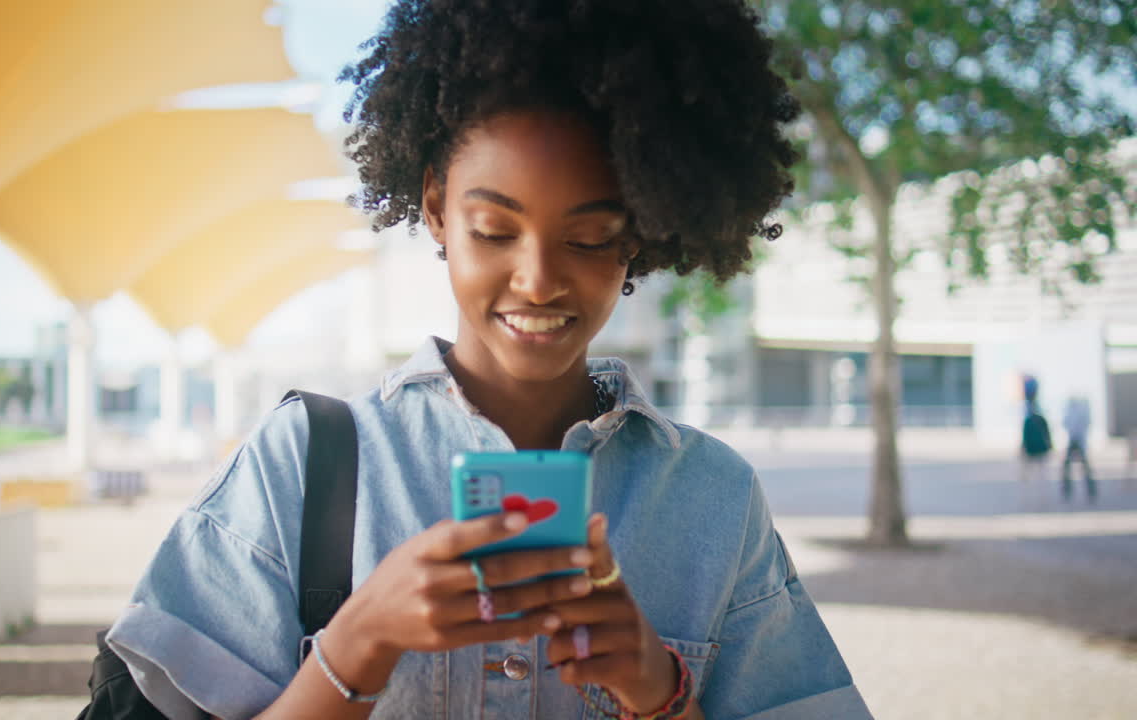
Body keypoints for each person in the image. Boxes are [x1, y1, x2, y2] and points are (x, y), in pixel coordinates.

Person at [106, 2, 871, 718]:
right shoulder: (303, 465)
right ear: (437, 208)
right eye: (494, 229)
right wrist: (354, 644)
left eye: (588, 236)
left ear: (639, 230)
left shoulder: (713, 499)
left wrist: (660, 690)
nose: (537, 278)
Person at [1060, 396, 1096, 502]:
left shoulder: (1080, 409)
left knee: (1084, 467)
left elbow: (1067, 423)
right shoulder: (1075, 409)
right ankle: (1068, 490)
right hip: (1074, 439)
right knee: (1070, 467)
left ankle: (1090, 491)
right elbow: (1066, 423)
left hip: (1078, 440)